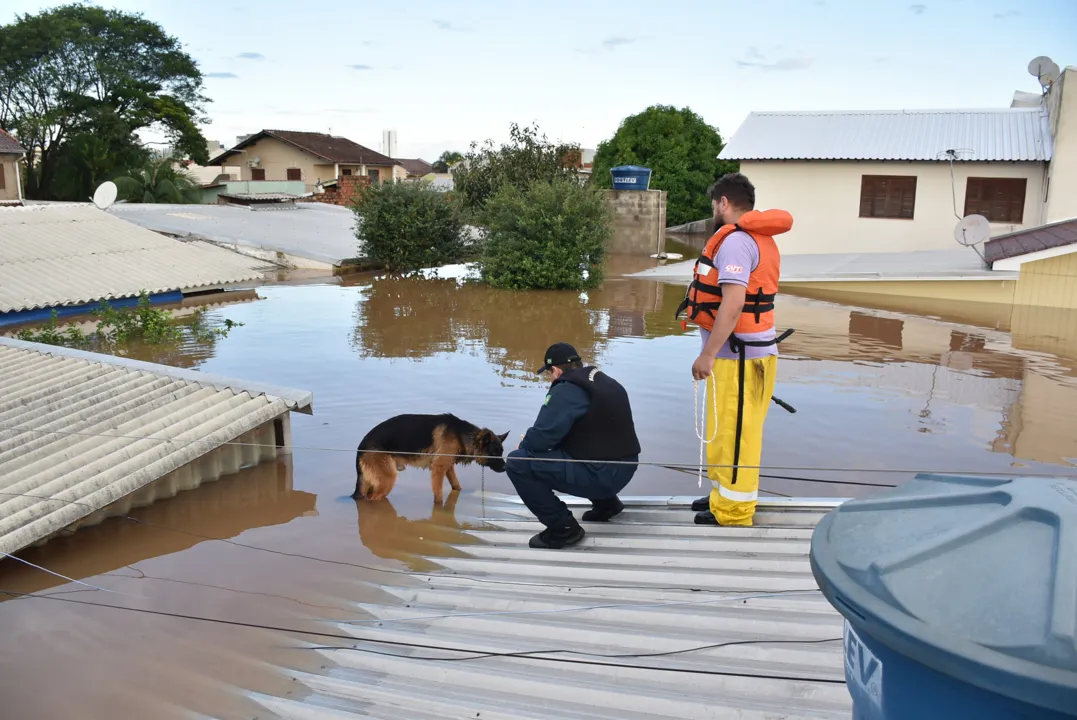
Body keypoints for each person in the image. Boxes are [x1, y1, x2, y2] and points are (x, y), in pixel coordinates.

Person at [676, 172, 794, 527]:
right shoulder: (756, 238)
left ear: (723, 203)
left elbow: (732, 304)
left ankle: (734, 513)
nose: (713, 210)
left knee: (737, 435)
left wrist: (707, 354)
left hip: (739, 357)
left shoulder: (737, 242)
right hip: (740, 355)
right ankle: (720, 496)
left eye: (714, 204)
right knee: (724, 430)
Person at [505, 342, 641, 549]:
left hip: (602, 476)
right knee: (579, 444)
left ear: (557, 370)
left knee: (517, 462)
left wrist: (525, 445)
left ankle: (564, 529)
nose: (551, 378)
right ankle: (606, 504)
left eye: (549, 373)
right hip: (627, 468)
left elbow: (542, 438)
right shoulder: (605, 382)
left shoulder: (567, 389)